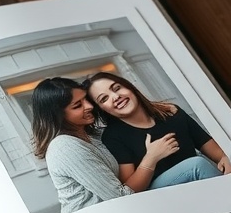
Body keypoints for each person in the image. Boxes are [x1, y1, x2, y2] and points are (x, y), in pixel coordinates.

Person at [82, 72, 231, 191]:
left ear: (129, 87)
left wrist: (224, 157)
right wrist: (151, 157)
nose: (115, 97)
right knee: (197, 165)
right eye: (104, 99)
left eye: (117, 88)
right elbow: (130, 189)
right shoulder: (113, 136)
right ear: (102, 110)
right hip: (160, 197)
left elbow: (211, 147)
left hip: (199, 188)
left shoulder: (171, 113)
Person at [31, 76, 137, 213]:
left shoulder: (95, 135)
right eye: (77, 105)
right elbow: (120, 197)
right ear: (58, 115)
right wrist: (150, 160)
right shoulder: (64, 147)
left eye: (86, 99)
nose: (90, 106)